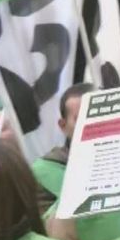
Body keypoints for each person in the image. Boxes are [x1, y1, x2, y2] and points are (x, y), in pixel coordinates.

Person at [31, 82, 94, 214]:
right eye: (82, 118)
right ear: (63, 125)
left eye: (100, 115)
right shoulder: (42, 172)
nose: (93, 123)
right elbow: (45, 228)